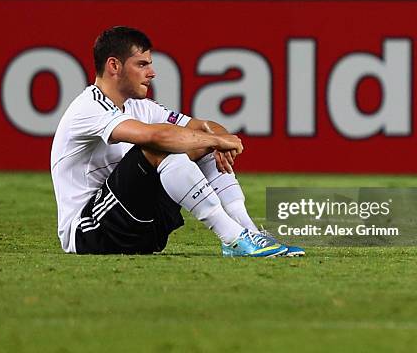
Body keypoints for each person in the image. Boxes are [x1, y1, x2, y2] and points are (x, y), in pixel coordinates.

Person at [50, 26, 304, 257]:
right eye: (141, 64)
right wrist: (215, 140)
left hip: (143, 231)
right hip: (90, 232)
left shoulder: (141, 107)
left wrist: (217, 139)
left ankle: (249, 231)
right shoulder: (88, 107)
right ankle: (234, 238)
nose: (152, 72)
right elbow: (158, 137)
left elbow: (200, 126)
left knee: (196, 143)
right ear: (114, 66)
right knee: (163, 144)